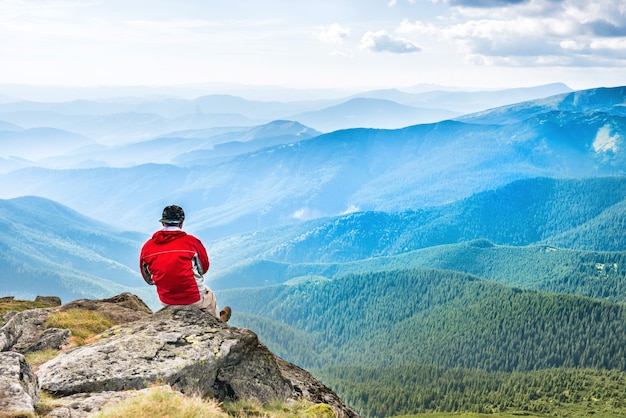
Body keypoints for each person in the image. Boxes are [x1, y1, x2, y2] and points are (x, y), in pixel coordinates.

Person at [140, 205, 231, 322]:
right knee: (209, 296)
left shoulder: (147, 247)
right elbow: (204, 269)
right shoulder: (192, 242)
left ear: (163, 223)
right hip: (193, 298)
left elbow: (148, 279)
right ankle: (218, 324)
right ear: (181, 223)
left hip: (166, 300)